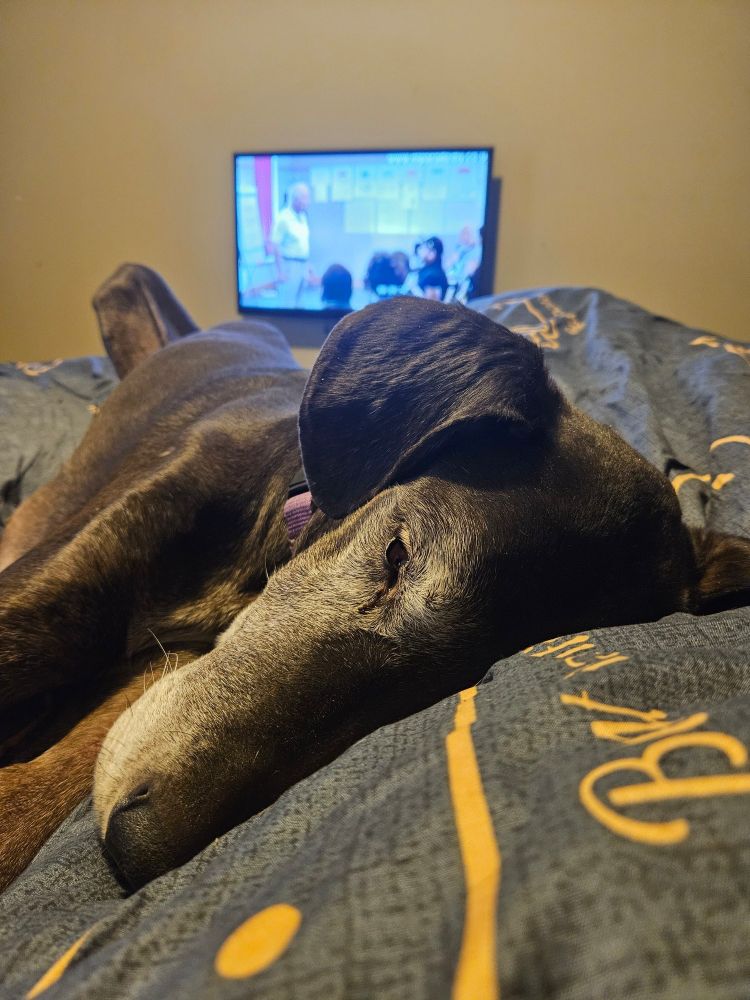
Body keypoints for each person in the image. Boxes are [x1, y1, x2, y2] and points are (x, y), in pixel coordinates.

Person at [269, 183, 312, 305]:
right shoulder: (283, 218)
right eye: (305, 197)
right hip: (289, 266)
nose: (308, 201)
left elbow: (303, 244)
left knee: (301, 303)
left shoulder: (303, 216)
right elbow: (275, 245)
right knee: (288, 303)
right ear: (296, 198)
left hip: (302, 265)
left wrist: (308, 266)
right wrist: (280, 272)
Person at [415, 236, 448, 301]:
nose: (423, 251)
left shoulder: (434, 275)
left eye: (427, 249)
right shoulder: (426, 270)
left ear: (434, 252)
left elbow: (432, 303)